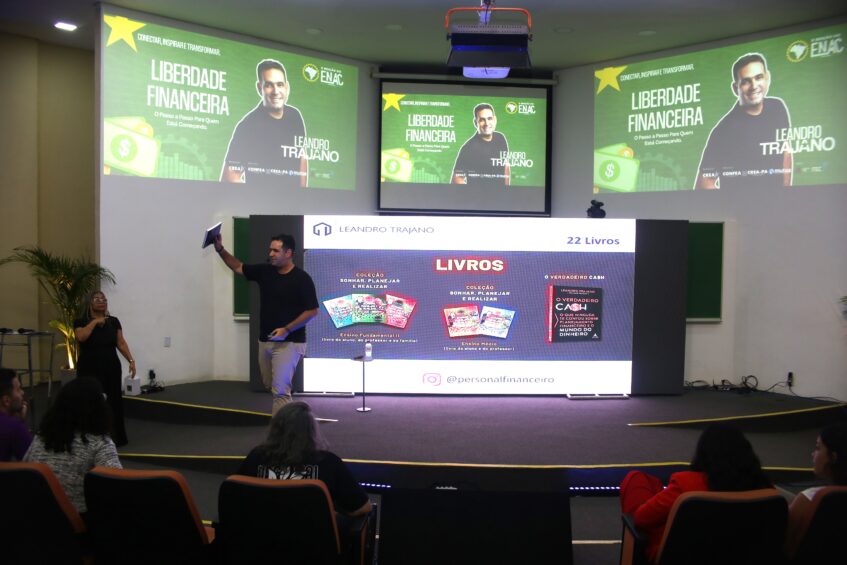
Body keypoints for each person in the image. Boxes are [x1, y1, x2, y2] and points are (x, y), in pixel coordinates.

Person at [619, 423, 771, 562]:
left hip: (678, 556)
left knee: (636, 479)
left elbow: (641, 519)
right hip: (742, 555)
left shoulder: (687, 485)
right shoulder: (768, 492)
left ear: (704, 453)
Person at [214, 233, 319, 413]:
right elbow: (238, 267)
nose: (271, 254)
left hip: (290, 342)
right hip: (265, 341)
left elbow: (312, 311)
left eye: (276, 251)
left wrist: (286, 329)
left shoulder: (302, 279)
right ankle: (293, 412)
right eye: (271, 250)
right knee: (270, 384)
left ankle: (282, 427)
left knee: (280, 390)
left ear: (288, 253)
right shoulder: (265, 271)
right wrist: (220, 249)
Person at [238, 401, 372, 517]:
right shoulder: (329, 462)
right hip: (314, 538)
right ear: (311, 430)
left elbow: (236, 498)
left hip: (259, 537)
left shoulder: (256, 457)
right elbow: (363, 507)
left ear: (275, 429)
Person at [23, 376, 122, 513]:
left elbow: (25, 467)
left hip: (34, 515)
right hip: (77, 519)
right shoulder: (99, 443)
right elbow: (118, 486)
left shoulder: (41, 437)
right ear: (98, 408)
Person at [695, 52, 792, 189]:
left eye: (758, 77)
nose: (754, 86)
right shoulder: (723, 131)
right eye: (746, 81)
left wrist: (786, 192)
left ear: (767, 78)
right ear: (736, 88)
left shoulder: (778, 107)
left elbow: (786, 152)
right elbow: (704, 184)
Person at [221, 59, 309, 188]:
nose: (275, 91)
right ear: (259, 88)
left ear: (287, 87)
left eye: (280, 85)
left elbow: (301, 157)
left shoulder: (295, 116)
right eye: (269, 85)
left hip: (293, 201)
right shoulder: (247, 127)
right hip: (262, 201)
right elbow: (230, 177)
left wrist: (302, 195)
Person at [74, 290, 136, 446]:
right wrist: (95, 322)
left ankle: (116, 437)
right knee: (90, 400)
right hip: (89, 367)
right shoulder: (80, 321)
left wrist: (131, 360)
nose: (102, 301)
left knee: (114, 400)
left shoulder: (113, 321)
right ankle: (90, 437)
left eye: (104, 299)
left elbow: (121, 343)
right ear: (90, 302)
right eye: (97, 299)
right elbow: (81, 337)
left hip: (111, 366)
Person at [786, 422, 847, 550]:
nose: (813, 454)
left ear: (833, 457)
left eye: (818, 448)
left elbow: (784, 543)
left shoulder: (809, 497)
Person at [452, 103, 510, 187]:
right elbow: (457, 178)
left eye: (489, 118)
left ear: (494, 119)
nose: (487, 123)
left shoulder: (501, 138)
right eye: (482, 120)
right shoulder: (468, 148)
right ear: (476, 123)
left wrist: (507, 189)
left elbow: (506, 166)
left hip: (500, 194)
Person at [0, 367, 32, 461]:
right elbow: (33, 460)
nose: (22, 392)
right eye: (18, 389)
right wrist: (20, 423)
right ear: (6, 401)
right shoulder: (14, 427)